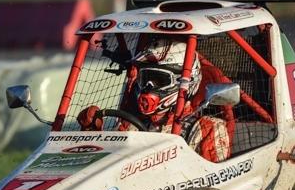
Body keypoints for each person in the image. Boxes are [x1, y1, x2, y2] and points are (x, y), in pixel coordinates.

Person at [77, 38, 234, 163]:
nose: (148, 86)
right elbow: (105, 167)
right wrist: (91, 133)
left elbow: (215, 189)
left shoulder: (207, 129)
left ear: (185, 81)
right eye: (145, 78)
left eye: (159, 79)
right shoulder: (131, 125)